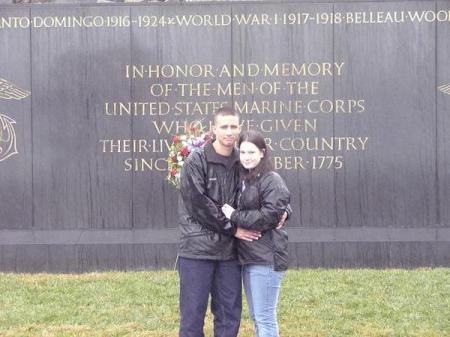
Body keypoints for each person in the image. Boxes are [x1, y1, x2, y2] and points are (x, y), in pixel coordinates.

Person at [177, 106, 261, 337]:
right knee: (192, 317)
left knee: (229, 316)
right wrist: (233, 228)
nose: (229, 132)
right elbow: (199, 205)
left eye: (233, 126)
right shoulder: (196, 161)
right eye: (223, 126)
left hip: (230, 253)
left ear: (240, 128)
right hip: (197, 250)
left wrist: (285, 212)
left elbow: (270, 187)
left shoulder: (244, 160)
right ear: (213, 129)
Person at [222, 130, 290, 337]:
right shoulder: (246, 179)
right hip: (249, 258)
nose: (246, 157)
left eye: (251, 152)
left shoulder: (271, 178)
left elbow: (269, 215)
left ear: (262, 153)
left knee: (265, 319)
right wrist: (286, 211)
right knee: (257, 317)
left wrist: (235, 216)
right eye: (242, 152)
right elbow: (280, 206)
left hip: (266, 259)